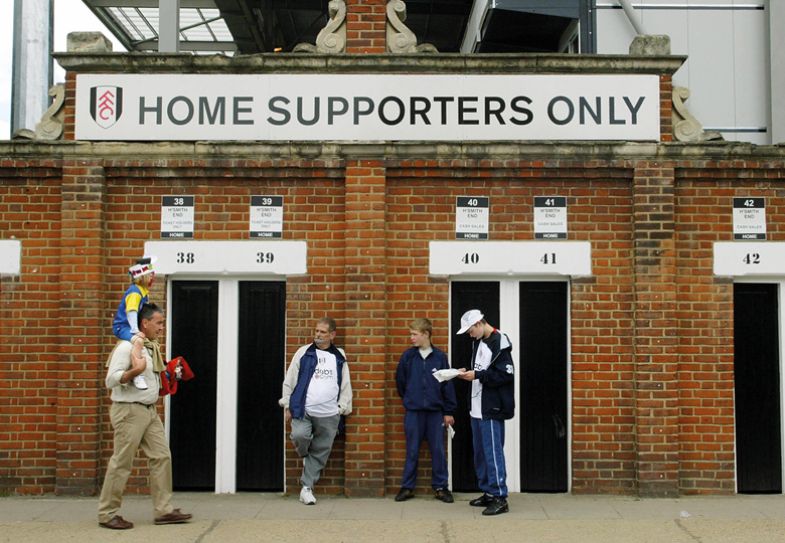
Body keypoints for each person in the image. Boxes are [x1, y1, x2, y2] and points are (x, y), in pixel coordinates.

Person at [98, 303, 192, 530]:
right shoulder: (126, 348)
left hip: (149, 410)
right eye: (158, 323)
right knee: (122, 462)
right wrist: (134, 372)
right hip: (129, 411)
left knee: (161, 456)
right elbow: (110, 380)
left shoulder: (151, 348)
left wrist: (170, 375)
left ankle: (164, 510)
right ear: (144, 323)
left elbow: (152, 379)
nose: (161, 327)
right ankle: (107, 513)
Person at [279, 317, 352, 505]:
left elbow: (345, 384)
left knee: (321, 451)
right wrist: (287, 404)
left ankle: (307, 488)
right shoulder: (303, 352)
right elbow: (290, 380)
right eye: (317, 331)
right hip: (304, 409)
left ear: (332, 335)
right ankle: (307, 457)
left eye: (323, 332)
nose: (318, 335)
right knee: (300, 435)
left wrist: (341, 408)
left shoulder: (339, 356)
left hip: (329, 414)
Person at [456, 309, 515, 516]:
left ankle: (500, 497)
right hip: (477, 408)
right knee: (481, 453)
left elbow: (505, 375)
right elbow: (481, 369)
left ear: (480, 323)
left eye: (470, 330)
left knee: (493, 454)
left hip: (491, 409)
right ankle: (488, 492)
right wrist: (466, 372)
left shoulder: (500, 342)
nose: (469, 334)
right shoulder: (479, 342)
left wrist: (478, 375)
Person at [394, 318, 457, 503]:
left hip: (435, 412)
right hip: (413, 412)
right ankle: (407, 487)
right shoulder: (408, 357)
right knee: (412, 450)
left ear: (426, 334)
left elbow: (447, 385)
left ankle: (440, 487)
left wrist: (448, 411)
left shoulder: (439, 357)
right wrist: (409, 399)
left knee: (438, 449)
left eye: (414, 334)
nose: (411, 338)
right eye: (411, 334)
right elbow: (400, 382)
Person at [111, 256, 156, 390]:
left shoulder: (143, 292)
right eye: (151, 274)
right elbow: (131, 312)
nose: (153, 277)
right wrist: (135, 330)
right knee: (138, 341)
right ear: (144, 276)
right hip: (122, 327)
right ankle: (137, 373)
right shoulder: (135, 292)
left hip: (129, 326)